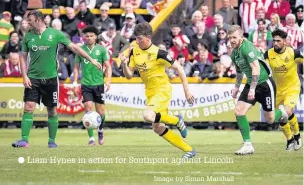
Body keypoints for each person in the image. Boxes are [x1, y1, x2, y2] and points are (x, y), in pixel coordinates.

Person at [11, 10, 102, 148]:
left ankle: (52, 141)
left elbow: (74, 48)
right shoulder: (28, 36)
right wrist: (24, 76)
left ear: (38, 19)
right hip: (33, 79)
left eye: (29, 20)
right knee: (28, 108)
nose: (27, 23)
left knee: (52, 111)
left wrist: (91, 60)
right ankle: (24, 140)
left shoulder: (55, 34)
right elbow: (23, 58)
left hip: (51, 79)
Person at [119, 22, 196, 158]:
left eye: (140, 38)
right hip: (150, 92)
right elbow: (129, 76)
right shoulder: (134, 50)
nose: (137, 41)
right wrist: (125, 64)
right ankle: (189, 150)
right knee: (157, 127)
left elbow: (179, 68)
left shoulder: (158, 53)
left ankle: (177, 121)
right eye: (136, 38)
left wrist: (187, 92)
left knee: (148, 115)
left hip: (162, 90)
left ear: (148, 37)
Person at [229, 25, 288, 155]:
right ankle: (247, 144)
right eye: (230, 38)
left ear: (241, 37)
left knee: (270, 119)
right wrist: (236, 88)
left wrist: (253, 89)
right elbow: (239, 72)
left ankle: (282, 113)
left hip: (264, 84)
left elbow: (255, 68)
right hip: (251, 84)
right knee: (239, 111)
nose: (232, 40)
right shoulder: (234, 53)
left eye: (234, 37)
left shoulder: (247, 47)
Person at [264, 29, 302, 151]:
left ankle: (297, 134)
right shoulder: (268, 54)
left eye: (278, 41)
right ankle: (289, 139)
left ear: (285, 42)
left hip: (292, 87)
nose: (275, 43)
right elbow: (263, 69)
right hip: (277, 90)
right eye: (274, 41)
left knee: (287, 111)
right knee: (281, 117)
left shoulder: (294, 53)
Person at [73, 26, 112, 146]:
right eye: (87, 36)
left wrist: (108, 80)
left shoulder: (101, 50)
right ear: (84, 37)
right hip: (86, 84)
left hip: (99, 84)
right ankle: (91, 139)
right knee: (88, 110)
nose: (89, 38)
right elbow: (76, 68)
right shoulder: (80, 50)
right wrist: (75, 83)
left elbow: (108, 66)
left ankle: (100, 130)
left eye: (91, 36)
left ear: (95, 36)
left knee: (100, 111)